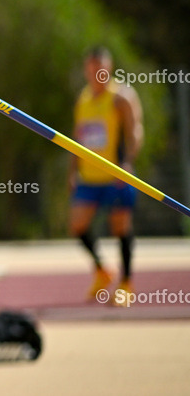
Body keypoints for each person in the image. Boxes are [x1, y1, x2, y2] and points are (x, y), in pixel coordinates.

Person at [69, 46, 143, 302]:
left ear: (108, 68)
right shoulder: (84, 99)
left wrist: (128, 163)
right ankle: (102, 270)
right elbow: (76, 139)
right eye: (91, 68)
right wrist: (73, 171)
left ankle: (126, 283)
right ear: (86, 69)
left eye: (100, 67)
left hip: (116, 174)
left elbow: (135, 132)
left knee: (120, 227)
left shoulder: (122, 97)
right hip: (89, 177)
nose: (95, 72)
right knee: (78, 225)